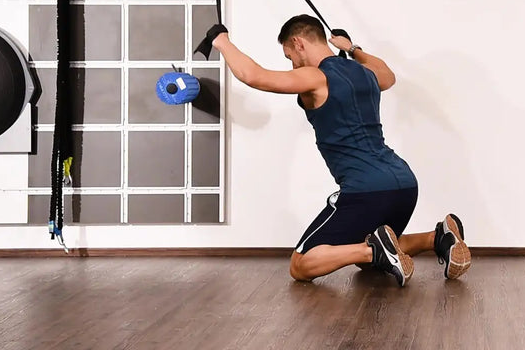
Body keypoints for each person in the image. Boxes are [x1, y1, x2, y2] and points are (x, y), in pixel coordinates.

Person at [201, 15, 471, 286]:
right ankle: (437, 238)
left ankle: (375, 250)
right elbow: (388, 77)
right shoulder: (365, 73)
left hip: (366, 189)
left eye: (289, 55)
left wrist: (221, 41)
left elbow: (254, 77)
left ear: (299, 43)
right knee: (354, 251)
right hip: (404, 184)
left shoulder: (316, 76)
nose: (292, 64)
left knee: (301, 264)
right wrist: (353, 48)